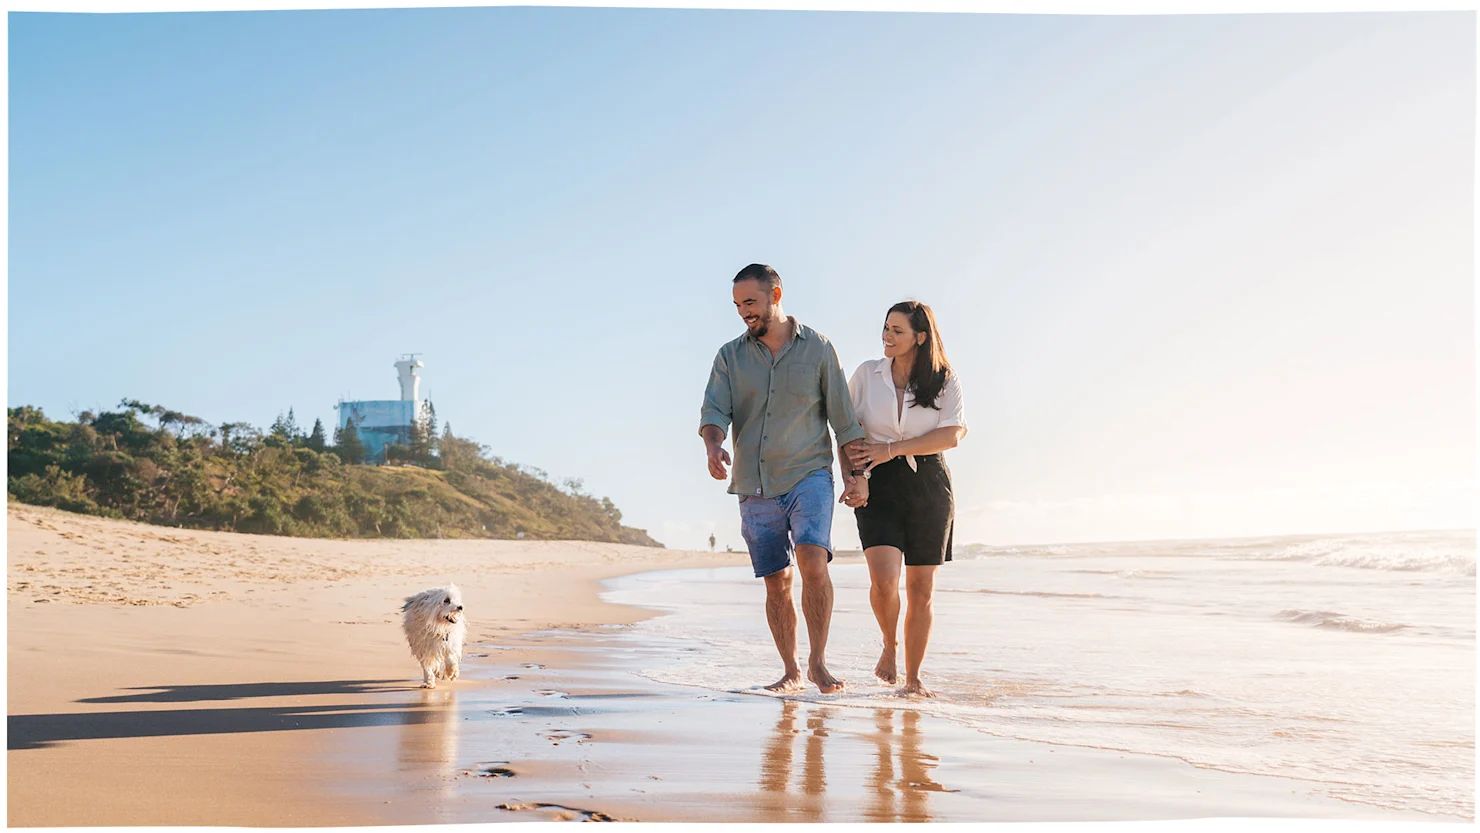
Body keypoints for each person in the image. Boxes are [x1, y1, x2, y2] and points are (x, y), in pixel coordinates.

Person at [699, 263, 870, 694]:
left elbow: (843, 421)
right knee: (777, 580)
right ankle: (790, 670)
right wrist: (713, 446)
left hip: (809, 472)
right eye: (738, 305)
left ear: (776, 295)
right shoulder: (729, 356)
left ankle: (817, 662)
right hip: (753, 481)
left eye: (751, 303)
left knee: (814, 560)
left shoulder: (818, 349)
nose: (743, 313)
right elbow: (714, 412)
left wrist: (855, 475)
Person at [845, 301, 967, 698]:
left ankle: (913, 680)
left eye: (897, 330)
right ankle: (889, 645)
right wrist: (855, 478)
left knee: (920, 587)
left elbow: (951, 435)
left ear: (920, 336)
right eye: (885, 328)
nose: (887, 336)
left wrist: (892, 449)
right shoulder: (866, 375)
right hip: (876, 483)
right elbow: (846, 429)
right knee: (883, 582)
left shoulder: (944, 380)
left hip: (928, 483)